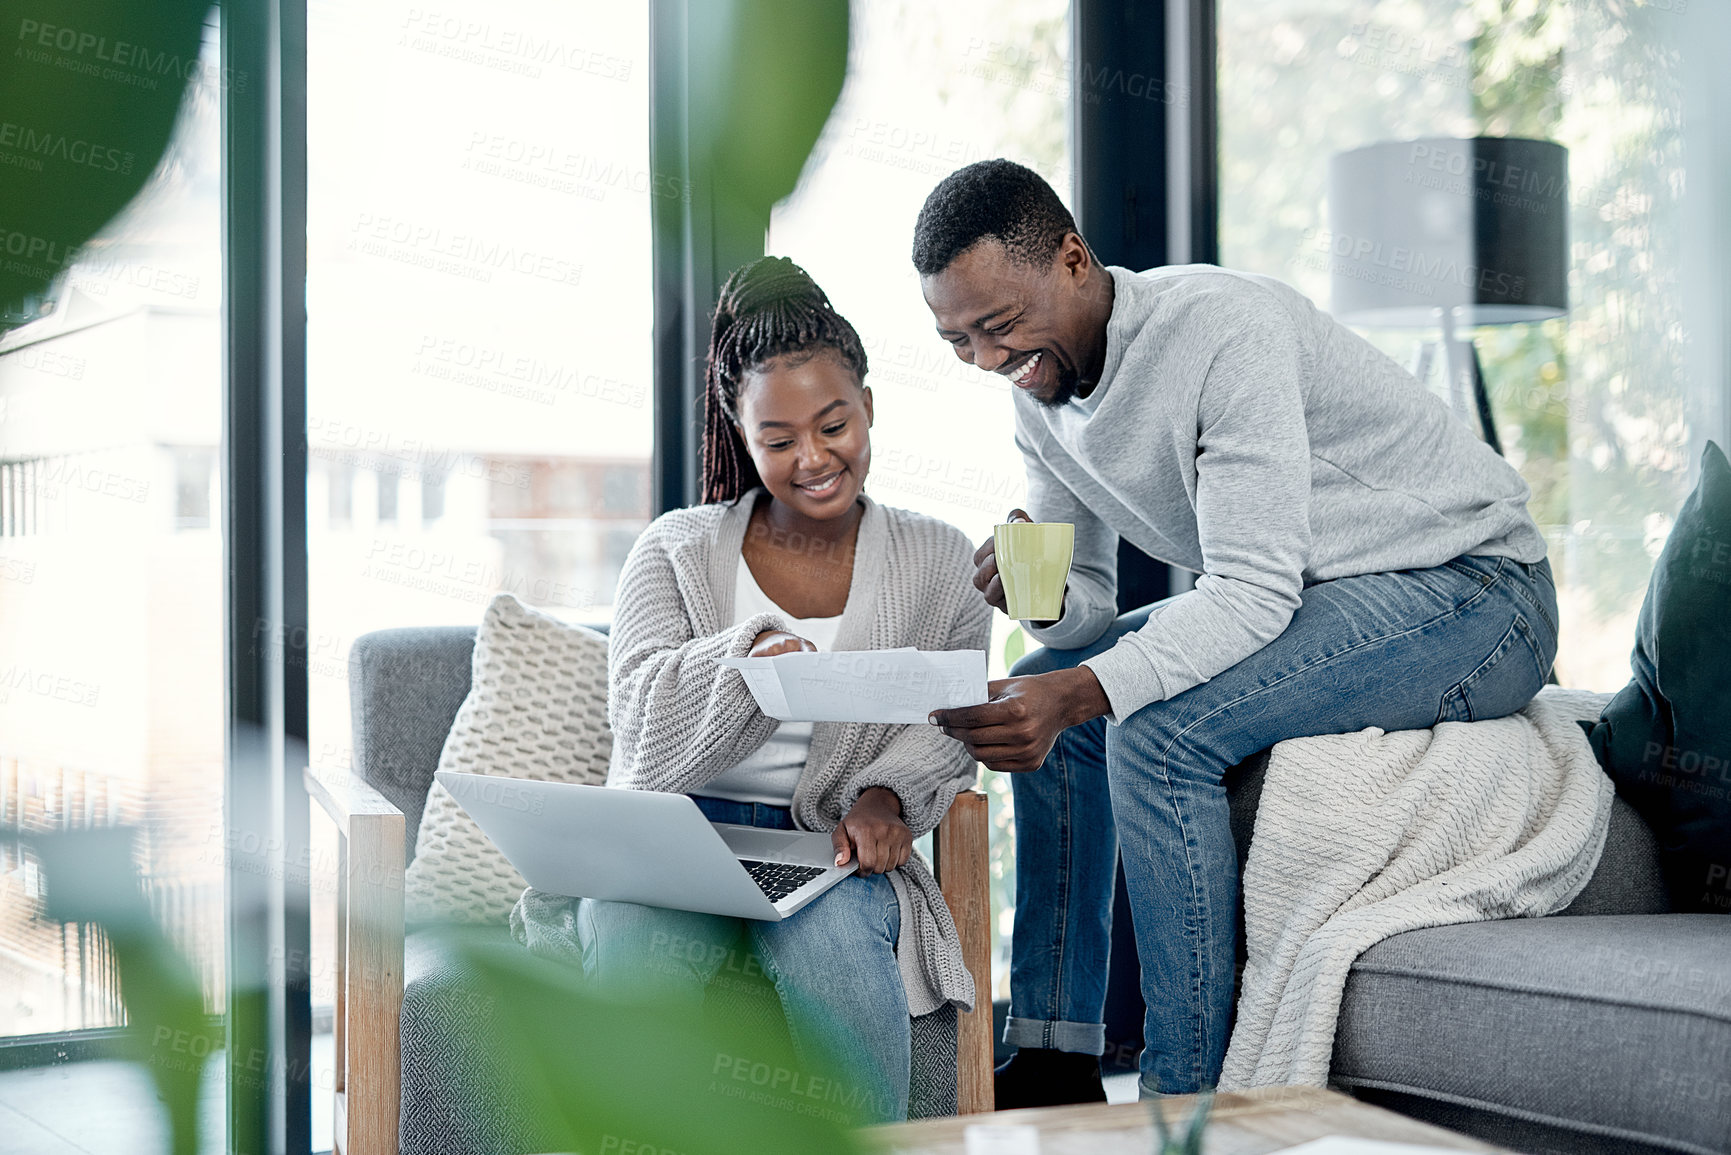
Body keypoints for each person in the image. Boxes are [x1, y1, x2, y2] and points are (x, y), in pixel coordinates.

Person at [914, 160, 1558, 1104]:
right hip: (1326, 593)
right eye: (955, 339)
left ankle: (1186, 1097)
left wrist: (1085, 692)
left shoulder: (1218, 330)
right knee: (1047, 671)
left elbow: (1250, 593)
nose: (983, 359)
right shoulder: (1037, 391)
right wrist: (1037, 596)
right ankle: (1056, 1053)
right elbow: (1089, 598)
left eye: (998, 326)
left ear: (1072, 258)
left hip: (1477, 592)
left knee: (1151, 725)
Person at [584, 255, 991, 1124]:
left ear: (869, 409)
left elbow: (951, 718)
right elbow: (639, 720)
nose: (813, 458)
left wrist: (883, 795)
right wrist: (747, 658)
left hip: (824, 851)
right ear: (741, 436)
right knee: (633, 961)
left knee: (841, 951)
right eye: (778, 440)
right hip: (673, 842)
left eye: (834, 425)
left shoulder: (938, 559)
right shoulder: (675, 549)